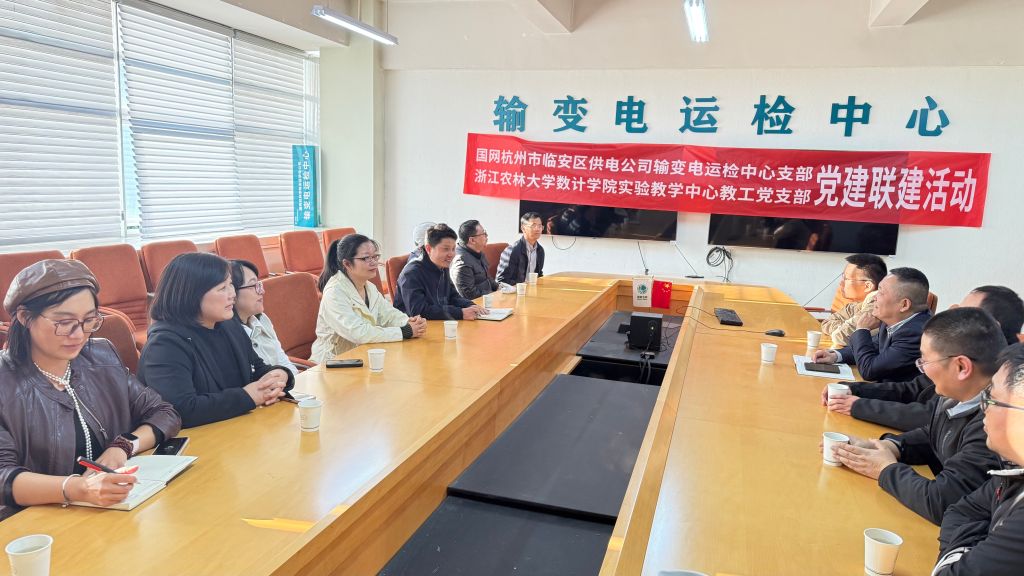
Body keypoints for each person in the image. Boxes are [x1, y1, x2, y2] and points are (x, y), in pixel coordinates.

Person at [0, 260, 180, 518]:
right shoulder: (5, 382)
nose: (79, 334)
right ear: (24, 317)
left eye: (88, 320)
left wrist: (123, 446)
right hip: (43, 520)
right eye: (64, 322)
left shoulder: (100, 356)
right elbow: (3, 477)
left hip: (115, 511)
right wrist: (79, 489)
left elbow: (163, 412)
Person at [829, 308, 1004, 525]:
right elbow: (933, 434)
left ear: (961, 367)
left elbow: (942, 501)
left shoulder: (994, 424)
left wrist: (885, 469)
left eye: (925, 361)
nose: (922, 369)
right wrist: (888, 446)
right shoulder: (956, 395)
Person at [824, 286, 1024, 431]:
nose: (955, 315)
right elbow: (913, 389)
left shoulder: (1006, 383)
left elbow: (933, 417)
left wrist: (857, 405)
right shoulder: (963, 351)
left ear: (992, 326)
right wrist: (854, 389)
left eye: (966, 313)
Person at [138, 252, 294, 428]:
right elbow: (180, 410)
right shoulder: (165, 345)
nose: (232, 294)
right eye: (222, 288)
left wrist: (280, 375)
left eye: (231, 285)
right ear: (192, 294)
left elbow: (257, 369)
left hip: (235, 427)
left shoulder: (228, 325)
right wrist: (248, 396)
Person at [932, 343, 1024, 575]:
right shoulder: (1012, 472)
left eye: (991, 399)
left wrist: (958, 557)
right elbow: (960, 511)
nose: (984, 409)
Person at [310, 234, 427, 365]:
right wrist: (405, 331)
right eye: (366, 258)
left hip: (363, 355)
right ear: (347, 264)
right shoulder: (334, 292)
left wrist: (409, 322)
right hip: (332, 362)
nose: (374, 262)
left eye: (375, 256)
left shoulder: (369, 287)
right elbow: (359, 333)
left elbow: (389, 314)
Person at [812, 267, 931, 382]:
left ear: (904, 305)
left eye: (881, 292)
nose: (874, 297)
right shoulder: (893, 320)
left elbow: (869, 370)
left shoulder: (916, 334)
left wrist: (862, 329)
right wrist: (836, 355)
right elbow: (875, 347)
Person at [394, 223, 487, 320]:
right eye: (446, 249)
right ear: (429, 248)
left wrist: (470, 305)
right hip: (418, 327)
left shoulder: (442, 265)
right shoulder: (411, 273)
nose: (451, 254)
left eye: (453, 249)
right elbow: (419, 311)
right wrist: (460, 313)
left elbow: (453, 297)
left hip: (440, 322)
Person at [229, 260, 298, 376]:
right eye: (253, 285)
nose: (262, 291)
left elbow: (283, 361)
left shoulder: (262, 319)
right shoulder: (228, 334)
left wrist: (296, 381)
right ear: (232, 292)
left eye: (259, 284)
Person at [820, 253, 887, 347]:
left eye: (846, 278)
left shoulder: (877, 303)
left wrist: (842, 328)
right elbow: (826, 323)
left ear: (868, 286)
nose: (841, 283)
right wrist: (842, 327)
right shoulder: (854, 306)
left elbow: (841, 336)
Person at [451, 219, 498, 300]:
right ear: (472, 240)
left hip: (488, 299)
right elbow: (469, 295)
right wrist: (493, 295)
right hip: (477, 304)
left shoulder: (478, 251)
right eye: (484, 234)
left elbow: (487, 277)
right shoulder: (461, 261)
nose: (487, 236)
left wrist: (498, 288)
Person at [496, 212, 545, 286]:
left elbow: (539, 275)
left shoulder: (540, 250)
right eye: (533, 225)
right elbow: (501, 281)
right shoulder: (512, 251)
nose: (537, 229)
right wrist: (521, 287)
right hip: (516, 291)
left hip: (532, 289)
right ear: (523, 228)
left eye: (540, 226)